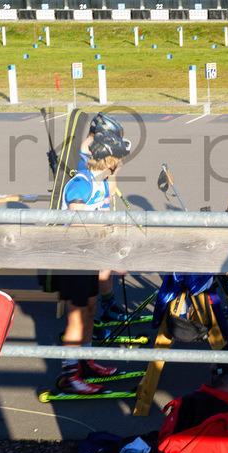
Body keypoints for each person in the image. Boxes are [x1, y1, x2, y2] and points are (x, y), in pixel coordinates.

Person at [56, 130, 130, 395]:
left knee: (89, 310)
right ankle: (70, 374)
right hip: (72, 256)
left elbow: (107, 213)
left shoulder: (101, 183)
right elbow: (78, 222)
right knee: (76, 317)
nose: (121, 164)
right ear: (108, 160)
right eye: (118, 160)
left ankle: (84, 361)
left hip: (88, 256)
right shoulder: (82, 183)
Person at [77, 112, 133, 324]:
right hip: (90, 219)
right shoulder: (84, 159)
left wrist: (113, 172)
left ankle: (106, 307)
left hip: (101, 210)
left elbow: (108, 192)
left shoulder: (95, 152)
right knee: (102, 263)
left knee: (106, 263)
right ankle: (94, 314)